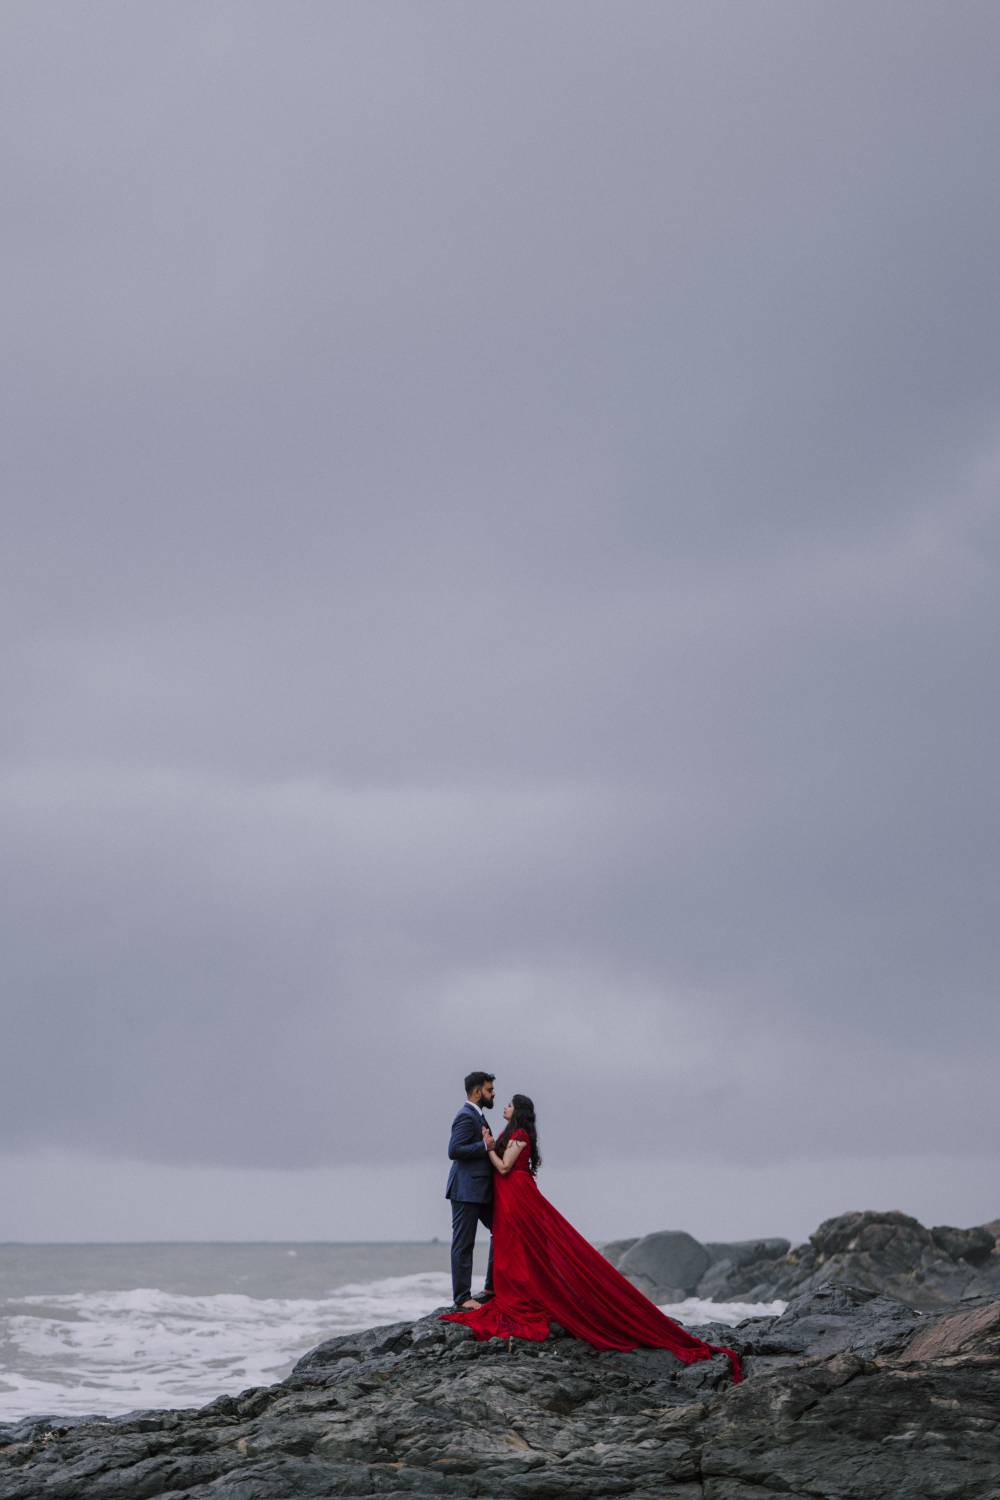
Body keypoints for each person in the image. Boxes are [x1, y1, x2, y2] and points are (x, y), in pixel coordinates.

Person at [441, 1093, 742, 1383]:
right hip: (508, 1197)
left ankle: (522, 1292)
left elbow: (505, 1166)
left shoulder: (520, 1133)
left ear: (518, 1110)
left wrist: (488, 1147)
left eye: (509, 1104)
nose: (504, 1106)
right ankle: (511, 1288)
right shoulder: (512, 1132)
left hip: (517, 1196)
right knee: (511, 1247)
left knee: (520, 1247)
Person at [445, 1070, 497, 1311]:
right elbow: (454, 1150)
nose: (493, 1093)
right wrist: (484, 1145)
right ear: (477, 1092)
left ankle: (491, 1286)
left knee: (502, 1229)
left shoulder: (479, 1116)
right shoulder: (466, 1116)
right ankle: (462, 1297)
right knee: (464, 1244)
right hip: (465, 1190)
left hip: (481, 1191)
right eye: (489, 1089)